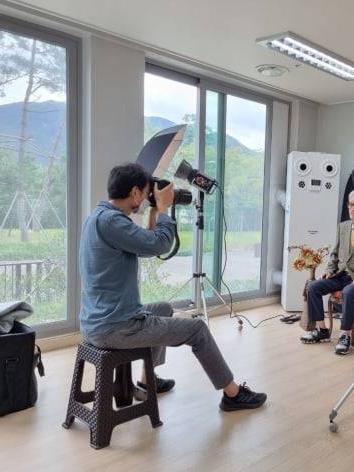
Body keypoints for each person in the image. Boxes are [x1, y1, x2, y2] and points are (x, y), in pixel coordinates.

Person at [79, 163, 266, 411]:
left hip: (98, 321)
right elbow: (160, 245)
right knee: (197, 329)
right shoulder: (113, 221)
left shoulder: (99, 216)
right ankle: (233, 394)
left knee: (164, 308)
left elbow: (145, 245)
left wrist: (154, 211)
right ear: (134, 192)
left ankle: (147, 381)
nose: (146, 199)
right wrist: (165, 209)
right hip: (115, 327)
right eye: (146, 193)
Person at [300, 190, 354, 355]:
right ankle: (321, 330)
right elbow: (335, 254)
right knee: (313, 286)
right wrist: (329, 270)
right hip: (339, 275)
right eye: (350, 205)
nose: (352, 208)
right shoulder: (343, 227)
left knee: (349, 291)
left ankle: (344, 336)